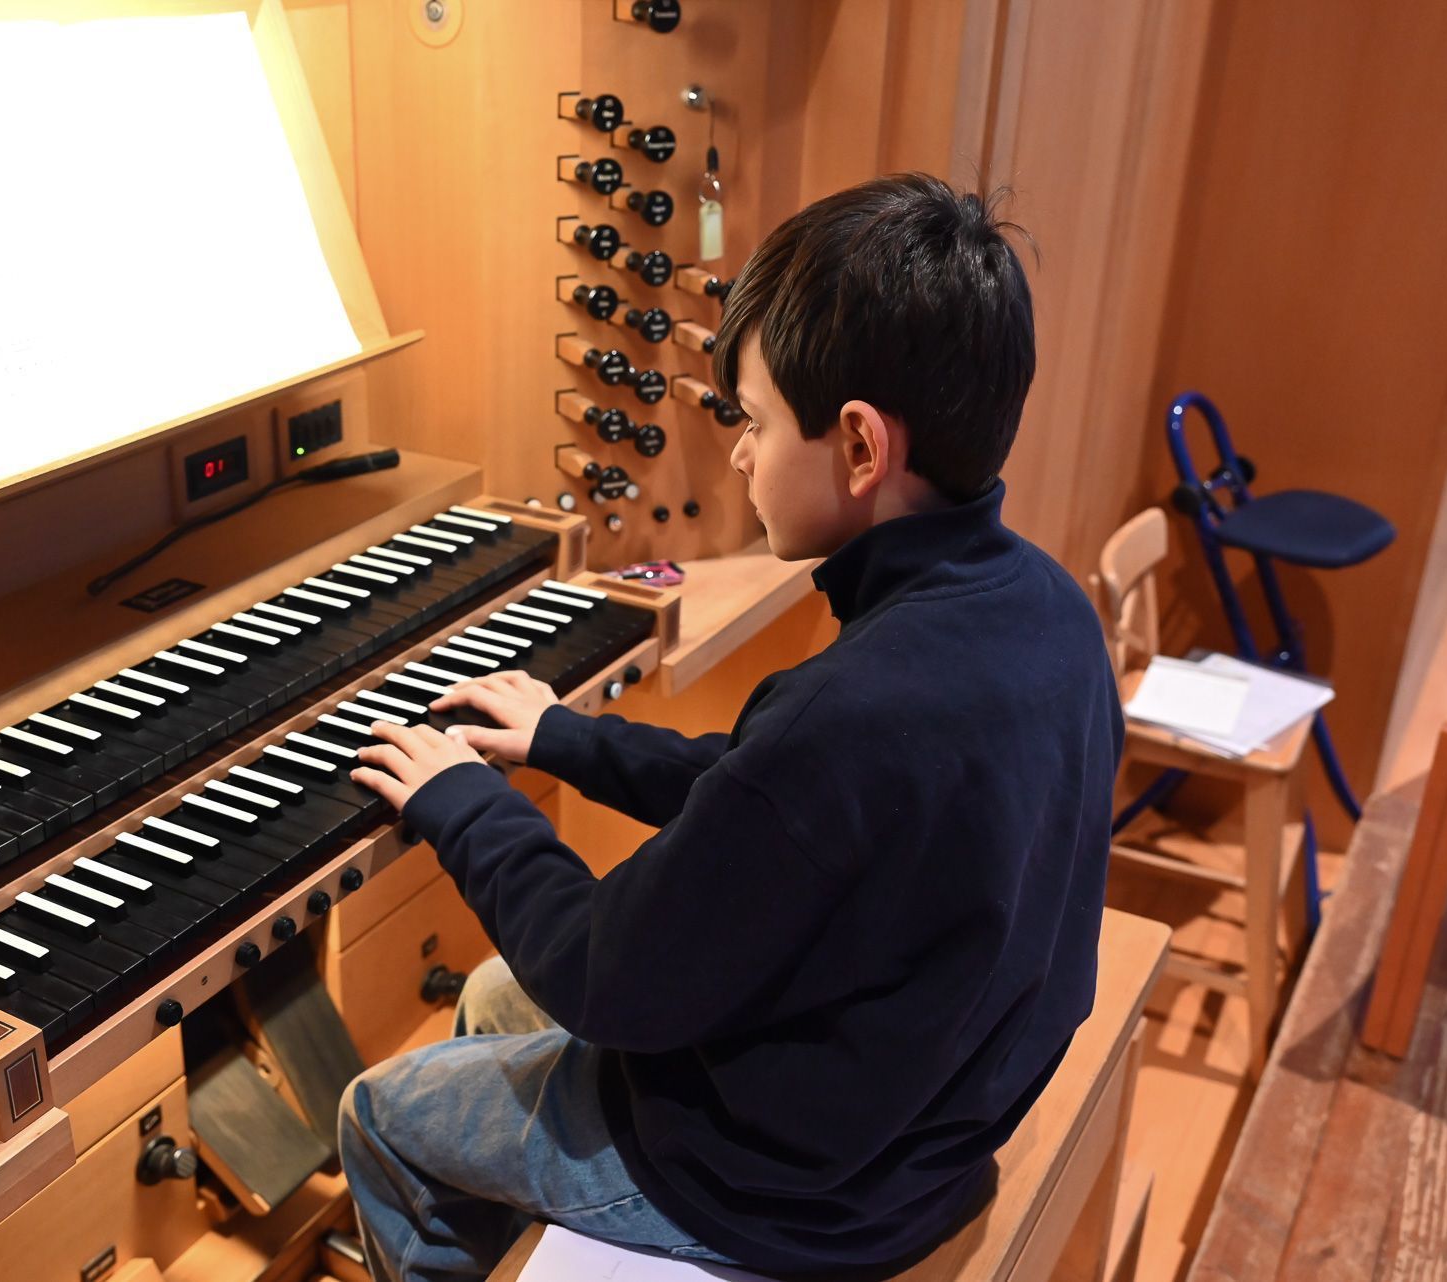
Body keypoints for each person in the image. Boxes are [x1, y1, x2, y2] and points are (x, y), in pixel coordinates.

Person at [338, 172, 1121, 1282]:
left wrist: (462, 805)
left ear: (858, 447)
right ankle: (525, 1233)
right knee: (487, 993)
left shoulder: (848, 708)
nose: (741, 457)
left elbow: (610, 977)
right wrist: (569, 737)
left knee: (381, 1112)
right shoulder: (1045, 611)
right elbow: (778, 806)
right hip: (922, 1122)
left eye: (752, 423)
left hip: (782, 1188)